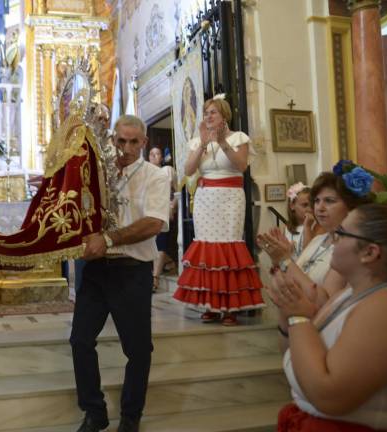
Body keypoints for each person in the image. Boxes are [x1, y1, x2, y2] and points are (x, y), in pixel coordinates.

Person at [270, 204, 387, 431]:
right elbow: (297, 357)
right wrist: (288, 315)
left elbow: (329, 396)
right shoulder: (347, 295)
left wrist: (298, 317)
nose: (332, 240)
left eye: (340, 234)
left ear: (370, 252)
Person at [70, 115, 170, 432]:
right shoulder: (97, 174)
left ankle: (130, 417)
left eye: (134, 142)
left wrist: (110, 238)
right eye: (121, 141)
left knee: (138, 349)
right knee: (80, 341)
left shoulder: (155, 176)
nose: (126, 148)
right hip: (96, 270)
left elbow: (153, 222)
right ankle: (94, 411)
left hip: (132, 270)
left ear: (144, 142)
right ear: (113, 140)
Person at [172, 97, 265, 326]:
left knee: (227, 247)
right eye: (206, 113)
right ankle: (211, 305)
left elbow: (241, 166)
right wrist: (203, 143)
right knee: (207, 249)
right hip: (205, 199)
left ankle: (230, 308)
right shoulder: (198, 141)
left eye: (213, 112)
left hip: (230, 198)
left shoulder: (239, 138)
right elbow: (188, 170)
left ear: (224, 115)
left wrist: (222, 142)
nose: (208, 117)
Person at [259, 171, 373, 310]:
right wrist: (278, 259)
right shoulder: (317, 239)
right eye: (317, 201)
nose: (320, 207)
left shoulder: (351, 248)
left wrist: (285, 260)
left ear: (351, 206)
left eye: (329, 201)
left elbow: (326, 303)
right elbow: (295, 282)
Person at [147, 146, 178, 292]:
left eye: (157, 153)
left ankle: (155, 279)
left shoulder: (168, 170)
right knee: (151, 243)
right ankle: (169, 262)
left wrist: (173, 206)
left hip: (164, 209)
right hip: (149, 211)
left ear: (161, 157)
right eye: (151, 154)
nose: (154, 156)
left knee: (161, 242)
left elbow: (177, 190)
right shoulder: (145, 173)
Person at [283, 182, 312, 259]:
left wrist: (308, 226)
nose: (310, 209)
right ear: (292, 206)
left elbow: (310, 254)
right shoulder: (287, 228)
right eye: (305, 205)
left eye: (312, 204)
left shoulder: (315, 226)